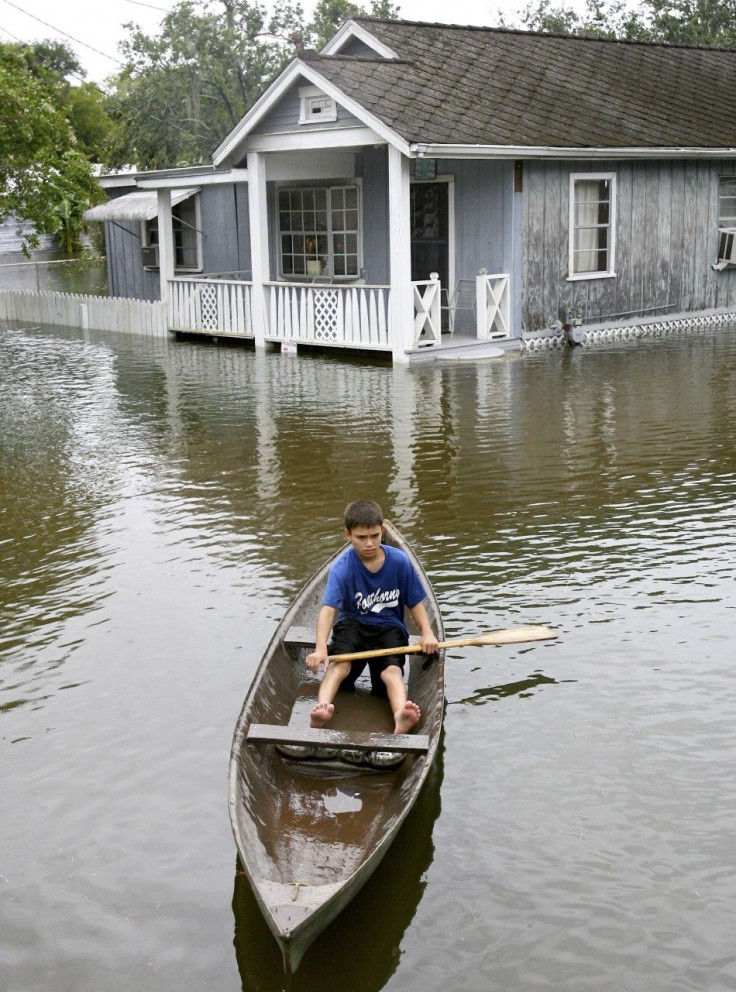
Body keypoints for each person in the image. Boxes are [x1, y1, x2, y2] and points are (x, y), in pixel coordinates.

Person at [306, 500, 439, 734]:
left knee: (391, 672)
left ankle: (400, 715)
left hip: (389, 627)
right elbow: (328, 611)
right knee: (339, 664)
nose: (369, 544)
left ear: (382, 531)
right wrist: (320, 648)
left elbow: (415, 602)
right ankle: (322, 708)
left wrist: (427, 633)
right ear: (347, 535)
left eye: (374, 536)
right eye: (360, 538)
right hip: (353, 625)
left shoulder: (399, 561)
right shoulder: (342, 568)